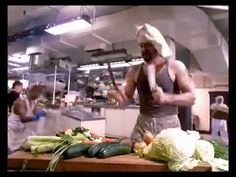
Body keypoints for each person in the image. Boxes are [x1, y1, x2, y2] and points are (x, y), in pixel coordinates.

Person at [108, 23, 196, 144]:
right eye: (141, 46)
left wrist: (166, 98)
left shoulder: (175, 67)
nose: (143, 50)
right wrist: (119, 97)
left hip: (169, 127)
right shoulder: (134, 70)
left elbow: (191, 98)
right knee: (136, 159)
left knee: (166, 160)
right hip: (143, 127)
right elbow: (127, 100)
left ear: (157, 45)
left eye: (147, 45)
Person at [8, 84, 47, 154]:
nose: (38, 95)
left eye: (40, 93)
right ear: (30, 91)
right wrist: (35, 118)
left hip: (21, 130)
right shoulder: (21, 102)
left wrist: (41, 113)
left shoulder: (33, 102)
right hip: (12, 130)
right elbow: (23, 119)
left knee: (21, 151)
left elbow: (34, 112)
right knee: (12, 153)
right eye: (37, 92)